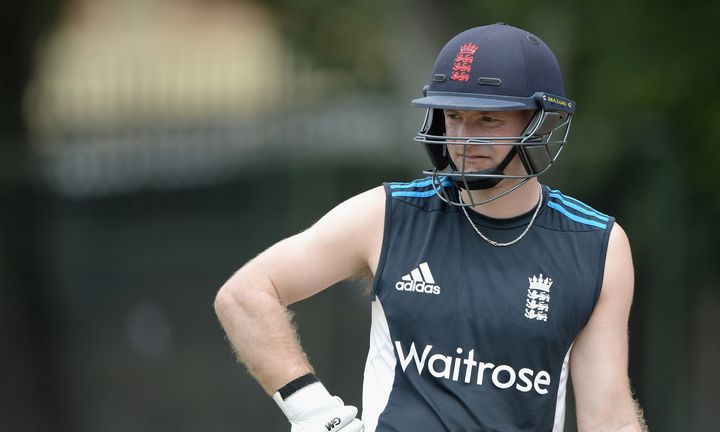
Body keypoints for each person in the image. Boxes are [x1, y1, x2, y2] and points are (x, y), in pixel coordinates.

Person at [214, 23, 647, 431]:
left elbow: (608, 415)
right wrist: (314, 411)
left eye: (488, 120)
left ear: (539, 123)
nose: (462, 137)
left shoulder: (596, 244)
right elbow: (245, 294)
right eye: (453, 116)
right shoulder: (387, 215)